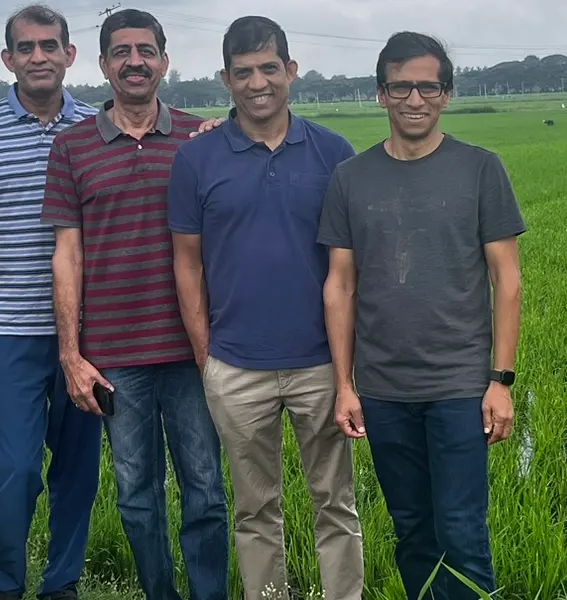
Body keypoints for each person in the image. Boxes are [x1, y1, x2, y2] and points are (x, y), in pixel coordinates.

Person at [318, 32, 526, 600]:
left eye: (428, 87)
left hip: (459, 386)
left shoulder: (480, 169)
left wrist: (501, 381)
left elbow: (507, 280)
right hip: (383, 389)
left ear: (446, 94)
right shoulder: (350, 178)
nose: (415, 99)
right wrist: (345, 385)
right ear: (380, 93)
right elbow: (340, 285)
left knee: (462, 530)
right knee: (411, 529)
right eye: (401, 87)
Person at [166, 16, 363, 600]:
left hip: (320, 365)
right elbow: (187, 264)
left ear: (291, 70)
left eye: (269, 68)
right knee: (255, 509)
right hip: (235, 366)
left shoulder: (333, 153)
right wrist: (206, 356)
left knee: (336, 502)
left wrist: (347, 368)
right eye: (243, 72)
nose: (258, 83)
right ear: (226, 79)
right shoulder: (196, 159)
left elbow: (350, 269)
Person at [40, 9, 229, 600]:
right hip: (115, 357)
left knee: (205, 489)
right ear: (103, 65)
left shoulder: (201, 139)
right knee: (135, 495)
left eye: (146, 51)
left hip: (193, 350)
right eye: (121, 52)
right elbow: (67, 255)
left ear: (164, 61)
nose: (134, 62)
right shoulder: (72, 147)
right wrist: (70, 354)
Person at [0, 5, 104, 600]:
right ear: (8, 59)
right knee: (14, 472)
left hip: (87, 334)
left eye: (49, 45)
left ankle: (62, 583)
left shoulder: (98, 127)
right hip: (6, 329)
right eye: (26, 47)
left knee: (77, 473)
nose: (38, 56)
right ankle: (6, 582)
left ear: (69, 54)